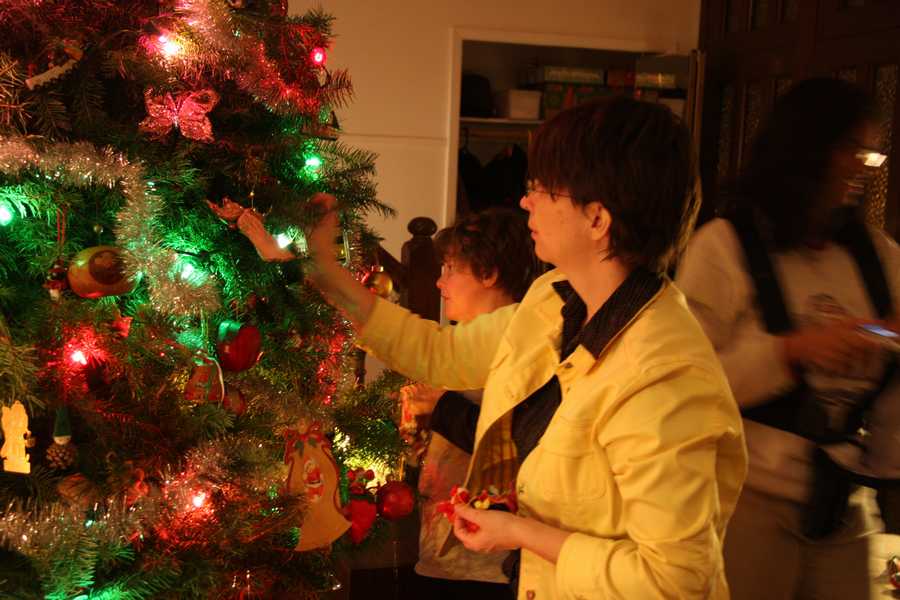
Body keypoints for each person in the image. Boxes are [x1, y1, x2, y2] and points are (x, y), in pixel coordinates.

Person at [239, 96, 747, 599]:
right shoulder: (555, 299)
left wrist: (521, 533)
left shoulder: (661, 375)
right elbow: (441, 354)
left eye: (543, 189)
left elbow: (674, 581)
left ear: (597, 219)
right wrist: (322, 269)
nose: (526, 201)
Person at [676, 77, 900, 599]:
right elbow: (685, 385)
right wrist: (792, 352)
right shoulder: (724, 247)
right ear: (805, 148)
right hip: (746, 499)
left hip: (844, 497)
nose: (862, 167)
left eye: (870, 153)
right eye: (851, 149)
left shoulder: (879, 256)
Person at [398, 207, 540, 600]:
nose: (439, 282)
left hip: (486, 564)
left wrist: (441, 408)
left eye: (450, 269)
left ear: (489, 273)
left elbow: (514, 442)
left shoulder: (518, 349)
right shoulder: (457, 347)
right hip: (440, 547)